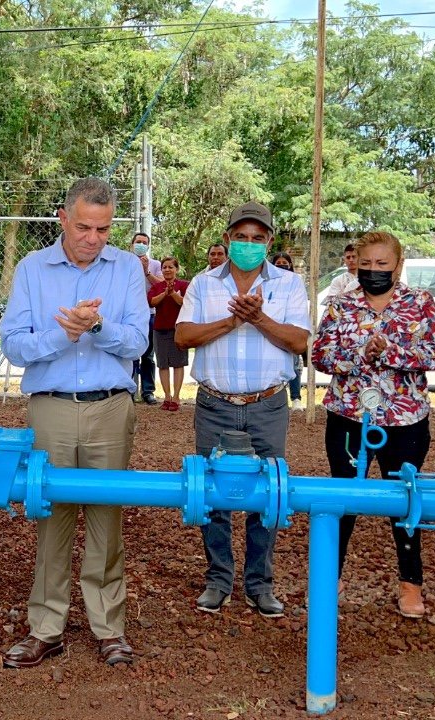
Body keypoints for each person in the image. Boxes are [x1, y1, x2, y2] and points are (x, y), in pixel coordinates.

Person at [0, 177, 148, 669]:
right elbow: (14, 344)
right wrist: (62, 335)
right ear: (62, 218)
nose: (92, 237)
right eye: (83, 226)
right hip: (51, 405)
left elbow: (138, 343)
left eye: (103, 229)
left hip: (110, 406)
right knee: (51, 517)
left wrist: (98, 328)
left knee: (108, 517)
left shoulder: (128, 268)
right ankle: (47, 628)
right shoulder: (32, 269)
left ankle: (109, 628)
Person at [176, 201, 309, 618]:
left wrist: (259, 319)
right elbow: (182, 336)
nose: (248, 244)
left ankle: (259, 583)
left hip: (267, 403)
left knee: (268, 494)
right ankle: (218, 580)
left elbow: (301, 341)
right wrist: (232, 323)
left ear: (269, 241)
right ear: (227, 239)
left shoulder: (288, 285)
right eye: (240, 237)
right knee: (211, 493)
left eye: (257, 238)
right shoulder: (203, 283)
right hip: (215, 403)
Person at [311, 231, 435, 618]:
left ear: (398, 265)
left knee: (404, 499)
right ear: (355, 264)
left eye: (382, 265)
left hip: (405, 418)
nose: (373, 272)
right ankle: (329, 580)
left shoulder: (418, 303)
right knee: (343, 497)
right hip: (349, 415)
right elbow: (320, 355)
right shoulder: (339, 305)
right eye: (366, 265)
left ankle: (410, 585)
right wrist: (359, 354)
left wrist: (393, 353)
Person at [147, 256, 189, 411]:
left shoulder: (185, 285)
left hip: (179, 329)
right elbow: (152, 302)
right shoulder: (156, 287)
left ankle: (177, 397)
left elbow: (183, 302)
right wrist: (165, 293)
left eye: (171, 267)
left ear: (176, 269)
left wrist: (173, 293)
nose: (167, 270)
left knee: (178, 363)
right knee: (163, 364)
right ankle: (167, 396)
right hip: (160, 328)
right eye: (164, 267)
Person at [270, 251, 304, 402]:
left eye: (285, 264)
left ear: (290, 266)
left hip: (290, 329)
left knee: (295, 364)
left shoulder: (296, 283)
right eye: (278, 265)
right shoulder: (267, 283)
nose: (282, 267)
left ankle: (295, 397)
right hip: (272, 328)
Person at [131, 233, 160, 405]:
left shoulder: (156, 264)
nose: (141, 245)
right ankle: (130, 389)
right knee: (131, 353)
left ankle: (148, 391)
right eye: (138, 242)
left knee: (148, 356)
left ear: (148, 246)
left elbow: (161, 285)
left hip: (150, 314)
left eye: (144, 243)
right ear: (131, 244)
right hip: (131, 315)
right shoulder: (125, 263)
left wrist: (147, 271)